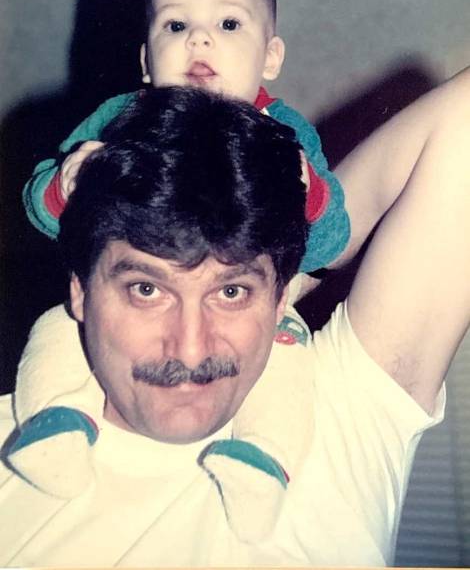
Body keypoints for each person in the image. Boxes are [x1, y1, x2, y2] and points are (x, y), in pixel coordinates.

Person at [2, 72, 470, 566]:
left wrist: (293, 227)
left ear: (280, 297)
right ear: (80, 291)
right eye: (147, 290)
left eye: (230, 292)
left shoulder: (339, 424)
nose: (189, 348)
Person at [14, 0, 350, 540]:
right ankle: (55, 422)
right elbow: (41, 209)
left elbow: (330, 244)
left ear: (271, 56)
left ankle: (263, 461)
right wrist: (65, 184)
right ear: (146, 59)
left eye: (228, 24)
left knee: (289, 357)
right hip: (91, 315)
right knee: (58, 329)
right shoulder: (118, 119)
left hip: (269, 319)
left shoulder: (285, 134)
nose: (200, 40)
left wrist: (309, 194)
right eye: (176, 25)